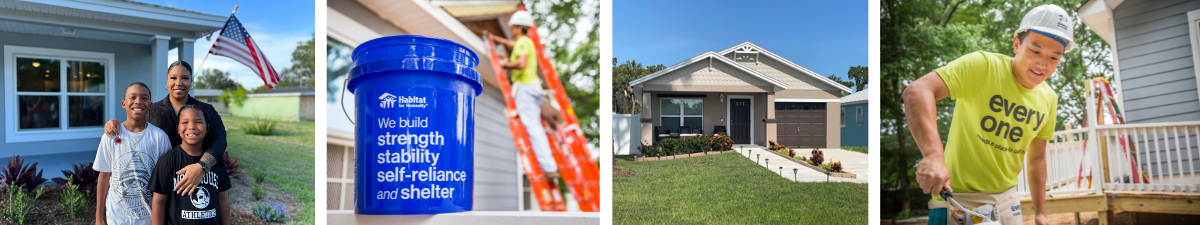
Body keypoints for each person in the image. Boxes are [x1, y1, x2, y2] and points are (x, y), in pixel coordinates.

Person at [902, 4, 1075, 225]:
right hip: (957, 199)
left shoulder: (1049, 98)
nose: (1043, 63)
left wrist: (1040, 213)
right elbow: (917, 91)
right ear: (1016, 44)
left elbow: (1037, 158)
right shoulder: (984, 67)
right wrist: (933, 155)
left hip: (1008, 200)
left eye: (1054, 57)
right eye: (1035, 51)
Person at [104, 61, 227, 197]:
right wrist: (115, 123)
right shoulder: (152, 110)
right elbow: (134, 126)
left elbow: (220, 140)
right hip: (162, 184)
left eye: (185, 78)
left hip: (199, 182)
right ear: (167, 81)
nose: (178, 83)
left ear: (191, 82)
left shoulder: (206, 110)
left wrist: (202, 167)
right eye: (173, 78)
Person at [487, 10, 559, 178]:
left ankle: (548, 167)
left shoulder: (522, 42)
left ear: (518, 28)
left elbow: (521, 63)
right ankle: (549, 165)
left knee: (532, 126)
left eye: (512, 27)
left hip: (525, 87)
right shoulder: (525, 42)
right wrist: (493, 38)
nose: (511, 29)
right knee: (535, 125)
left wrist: (504, 64)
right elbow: (511, 44)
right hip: (532, 86)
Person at [94, 82, 173, 225]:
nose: (138, 101)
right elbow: (104, 176)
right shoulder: (110, 136)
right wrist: (99, 218)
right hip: (117, 218)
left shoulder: (160, 137)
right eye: (133, 97)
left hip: (150, 218)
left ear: (150, 105)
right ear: (124, 103)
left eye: (144, 98)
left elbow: (165, 182)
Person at [150, 105, 231, 225]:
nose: (191, 127)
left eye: (198, 122)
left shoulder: (215, 162)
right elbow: (159, 203)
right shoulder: (167, 161)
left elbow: (223, 199)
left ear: (207, 128)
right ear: (177, 128)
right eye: (185, 122)